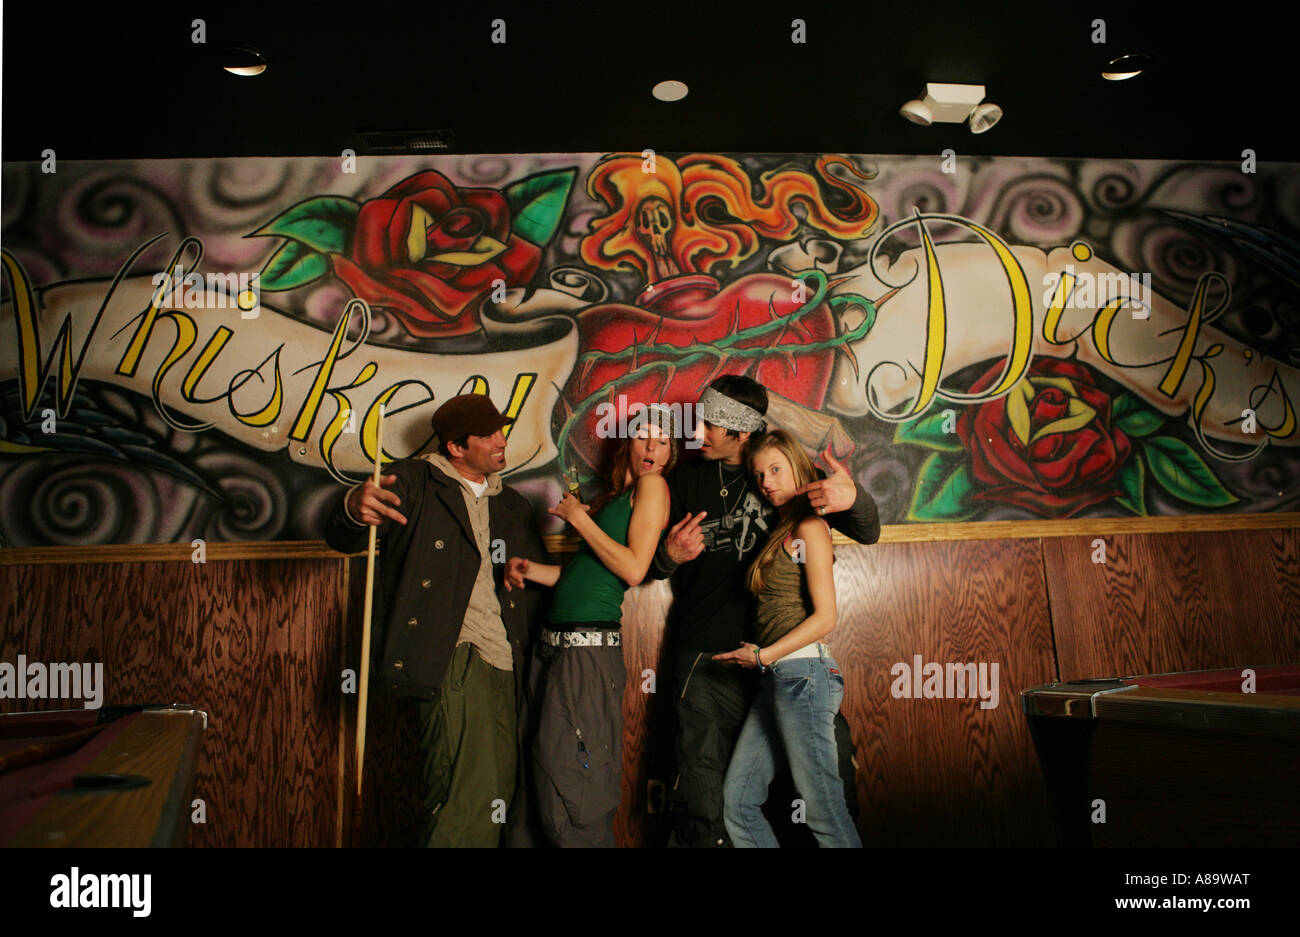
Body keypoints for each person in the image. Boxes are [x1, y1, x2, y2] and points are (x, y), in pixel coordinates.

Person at [649, 374, 879, 847]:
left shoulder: (786, 475)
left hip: (785, 662)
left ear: (741, 430)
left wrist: (853, 497)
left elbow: (866, 528)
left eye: (712, 425)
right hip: (706, 660)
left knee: (822, 792)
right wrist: (669, 554)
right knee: (708, 800)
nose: (698, 433)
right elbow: (646, 564)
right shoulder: (686, 480)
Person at [323, 393, 550, 848]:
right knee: (466, 797)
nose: (501, 441)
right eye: (487, 435)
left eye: (500, 430)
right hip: (451, 655)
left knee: (495, 795)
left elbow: (535, 581)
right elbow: (345, 532)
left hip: (508, 660)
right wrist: (354, 505)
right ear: (455, 448)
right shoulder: (414, 482)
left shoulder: (512, 505)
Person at [505, 406, 675, 847]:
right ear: (628, 444)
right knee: (538, 772)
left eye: (662, 440)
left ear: (671, 452)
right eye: (643, 437)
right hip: (553, 646)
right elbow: (583, 575)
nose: (652, 447)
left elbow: (635, 570)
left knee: (573, 779)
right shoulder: (614, 499)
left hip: (586, 650)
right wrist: (533, 570)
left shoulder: (653, 487)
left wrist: (579, 518)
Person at [713, 429, 862, 847]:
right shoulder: (783, 528)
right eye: (760, 475)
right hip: (779, 678)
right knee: (738, 802)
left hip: (804, 675)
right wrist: (766, 663)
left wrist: (763, 656)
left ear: (797, 466)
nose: (767, 482)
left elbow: (826, 617)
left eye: (776, 469)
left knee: (824, 809)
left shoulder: (810, 527)